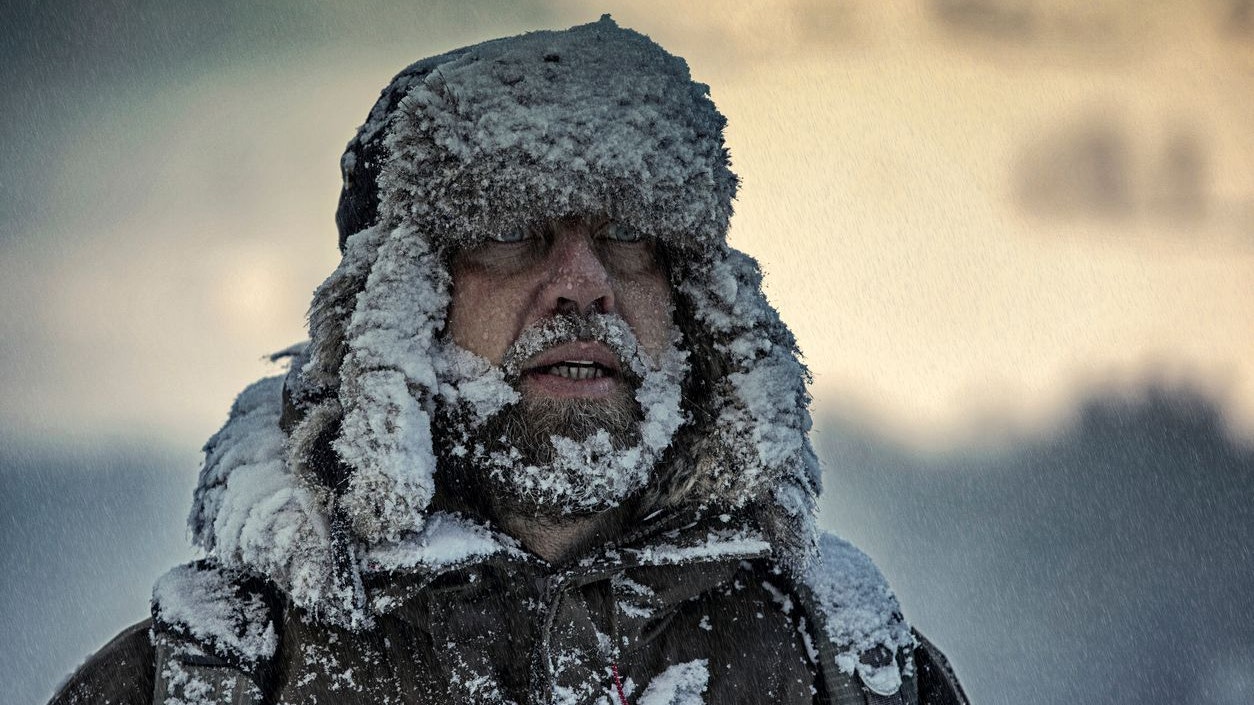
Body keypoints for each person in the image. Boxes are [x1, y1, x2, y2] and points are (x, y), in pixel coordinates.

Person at [51, 17, 967, 705]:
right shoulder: (202, 683)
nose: (584, 282)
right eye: (509, 232)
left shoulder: (852, 674)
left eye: (629, 234)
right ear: (394, 306)